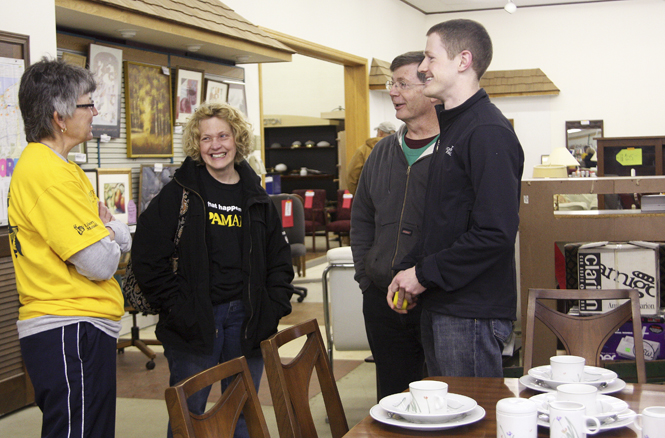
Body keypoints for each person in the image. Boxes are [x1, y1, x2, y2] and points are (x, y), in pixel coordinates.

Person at [131, 102, 294, 438]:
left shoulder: (256, 196)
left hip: (247, 321)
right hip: (194, 322)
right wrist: (177, 306)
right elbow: (147, 256)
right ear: (196, 144)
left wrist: (273, 308)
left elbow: (279, 260)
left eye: (223, 135)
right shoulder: (180, 193)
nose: (215, 145)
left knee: (243, 413)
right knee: (188, 417)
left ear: (237, 139)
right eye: (206, 138)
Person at [388, 19, 525, 378]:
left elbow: (495, 233)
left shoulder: (487, 132)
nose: (422, 67)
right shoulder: (456, 128)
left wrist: (423, 273)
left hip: (470, 315)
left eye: (431, 58)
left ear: (463, 60)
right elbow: (443, 222)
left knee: (472, 429)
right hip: (445, 305)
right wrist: (411, 272)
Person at [9, 57, 132, 438]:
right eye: (87, 104)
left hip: (81, 328)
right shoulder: (46, 174)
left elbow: (119, 237)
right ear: (59, 116)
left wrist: (109, 231)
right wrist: (111, 233)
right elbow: (99, 261)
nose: (95, 112)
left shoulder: (67, 169)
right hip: (68, 329)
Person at [350, 51, 440, 400]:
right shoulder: (382, 153)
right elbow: (361, 221)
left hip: (435, 302)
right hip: (381, 301)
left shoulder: (454, 150)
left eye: (403, 83)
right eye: (392, 83)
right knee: (391, 399)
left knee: (439, 401)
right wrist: (366, 278)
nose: (393, 91)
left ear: (430, 89)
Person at [346, 121, 396, 195]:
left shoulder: (363, 150)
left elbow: (352, 175)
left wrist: (358, 195)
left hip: (368, 197)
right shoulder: (398, 150)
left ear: (380, 133)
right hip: (392, 199)